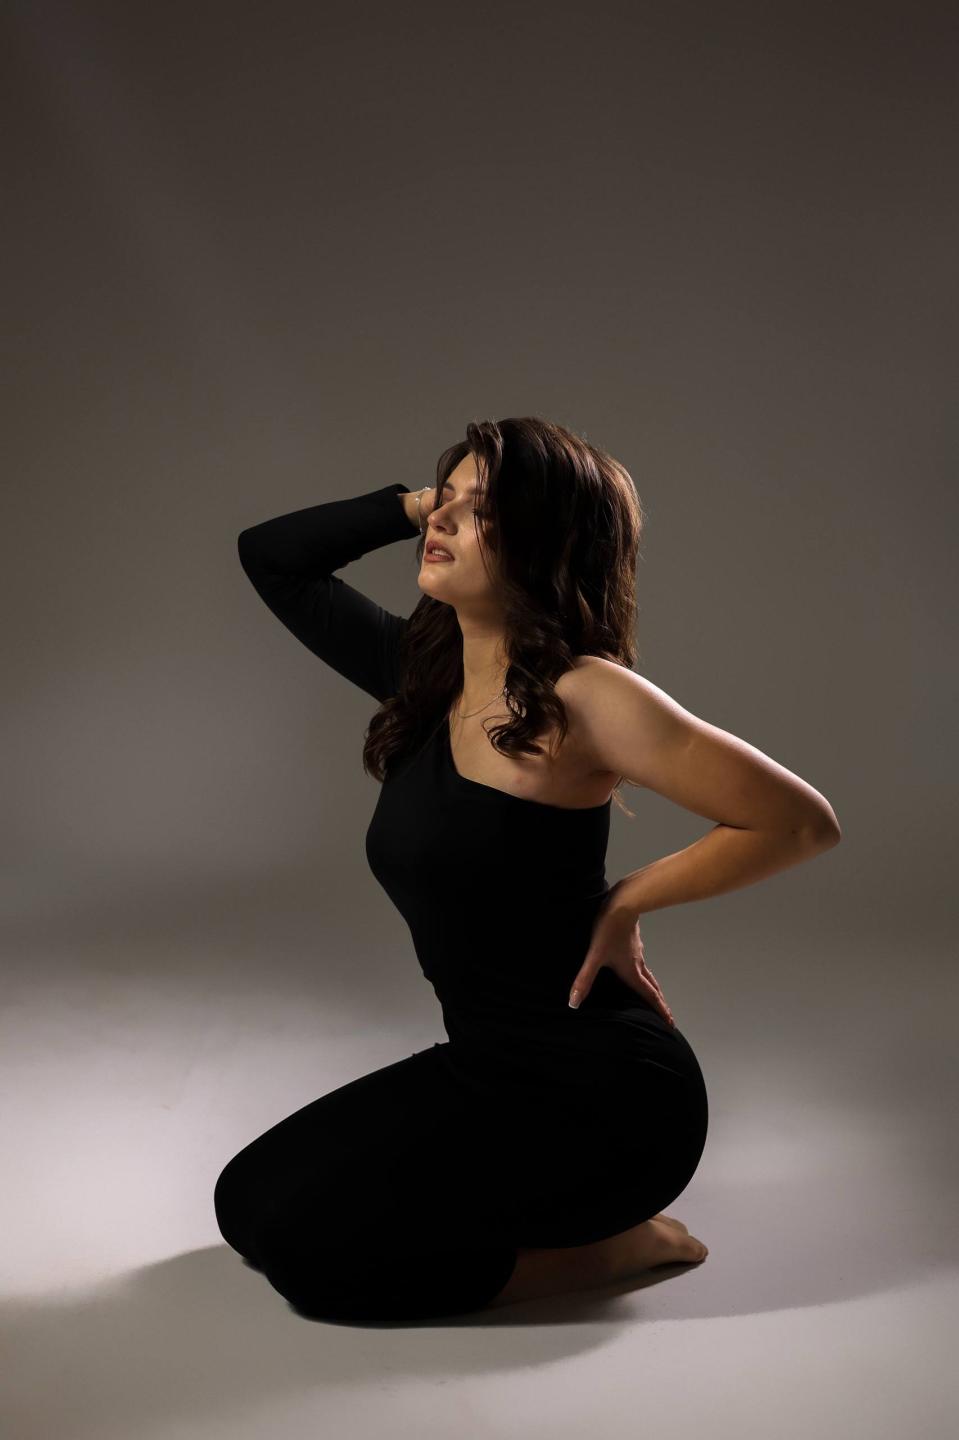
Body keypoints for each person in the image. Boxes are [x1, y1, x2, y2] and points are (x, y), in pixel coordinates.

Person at [213, 415, 840, 1323]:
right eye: (445, 500)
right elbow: (271, 556)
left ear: (545, 545)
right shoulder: (425, 680)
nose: (441, 522)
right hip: (486, 1067)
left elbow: (799, 822)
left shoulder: (585, 697)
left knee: (319, 1268)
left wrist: (626, 900)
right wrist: (415, 503)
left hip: (607, 1100)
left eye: (480, 513)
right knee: (245, 1204)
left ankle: (618, 1247)